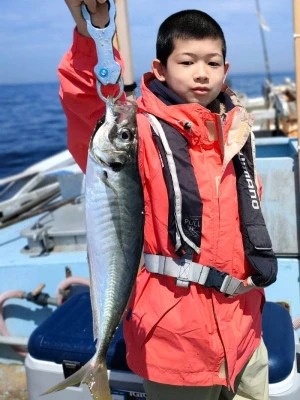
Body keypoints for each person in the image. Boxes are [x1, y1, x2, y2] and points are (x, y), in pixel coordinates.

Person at [60, 1, 278, 399]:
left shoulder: (235, 130)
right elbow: (89, 103)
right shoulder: (140, 132)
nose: (201, 73)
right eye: (187, 61)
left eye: (213, 63)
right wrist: (92, 28)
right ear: (159, 69)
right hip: (176, 344)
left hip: (245, 331)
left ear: (225, 71)